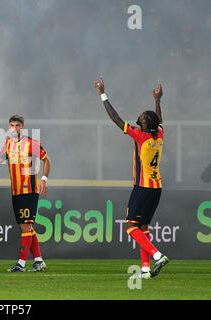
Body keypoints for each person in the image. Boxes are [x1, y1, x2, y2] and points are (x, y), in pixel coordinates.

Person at [94, 78, 169, 278]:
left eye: (143, 117)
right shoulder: (159, 134)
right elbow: (158, 120)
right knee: (143, 227)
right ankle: (145, 269)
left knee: (130, 226)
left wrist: (102, 94)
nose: (140, 116)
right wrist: (157, 101)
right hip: (157, 187)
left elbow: (116, 119)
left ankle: (157, 255)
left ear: (144, 124)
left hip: (143, 187)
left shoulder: (140, 136)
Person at [0, 115, 51, 272]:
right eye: (12, 125)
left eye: (17, 125)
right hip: (16, 191)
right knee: (26, 226)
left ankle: (21, 263)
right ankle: (39, 261)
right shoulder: (7, 143)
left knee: (25, 227)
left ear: (23, 127)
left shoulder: (31, 143)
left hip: (29, 190)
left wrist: (44, 179)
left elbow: (46, 160)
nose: (14, 128)